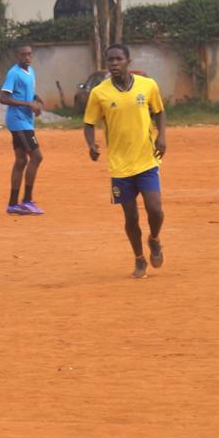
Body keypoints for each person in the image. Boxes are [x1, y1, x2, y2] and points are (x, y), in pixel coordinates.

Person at [83, 44, 167, 279]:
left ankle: (155, 239)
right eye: (110, 60)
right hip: (119, 165)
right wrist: (90, 144)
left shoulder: (147, 85)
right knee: (131, 217)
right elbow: (89, 123)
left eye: (119, 59)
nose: (114, 63)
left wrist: (162, 136)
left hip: (146, 159)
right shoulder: (99, 93)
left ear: (128, 61)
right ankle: (139, 259)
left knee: (155, 209)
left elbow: (159, 112)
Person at [0, 43, 45, 215]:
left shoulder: (30, 71)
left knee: (21, 161)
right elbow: (3, 98)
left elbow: (24, 92)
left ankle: (12, 204)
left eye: (30, 54)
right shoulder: (14, 73)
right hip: (18, 121)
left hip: (25, 121)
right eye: (24, 54)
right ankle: (26, 201)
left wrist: (34, 97)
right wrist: (28, 104)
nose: (28, 57)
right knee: (37, 157)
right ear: (17, 56)